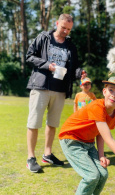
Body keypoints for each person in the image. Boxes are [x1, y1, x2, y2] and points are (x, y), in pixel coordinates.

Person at [59, 76, 115, 194]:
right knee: (91, 176)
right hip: (71, 139)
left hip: (87, 142)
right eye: (111, 90)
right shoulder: (97, 106)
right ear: (104, 91)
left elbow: (101, 134)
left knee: (102, 174)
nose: (114, 95)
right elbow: (109, 140)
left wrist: (101, 155)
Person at [25, 13, 86, 173]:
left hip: (59, 90)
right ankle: (31, 158)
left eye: (68, 29)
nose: (65, 31)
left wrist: (81, 73)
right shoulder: (43, 38)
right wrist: (47, 65)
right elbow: (29, 57)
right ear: (57, 23)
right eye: (63, 27)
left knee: (52, 124)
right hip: (40, 86)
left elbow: (75, 67)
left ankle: (47, 154)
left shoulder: (70, 45)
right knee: (34, 123)